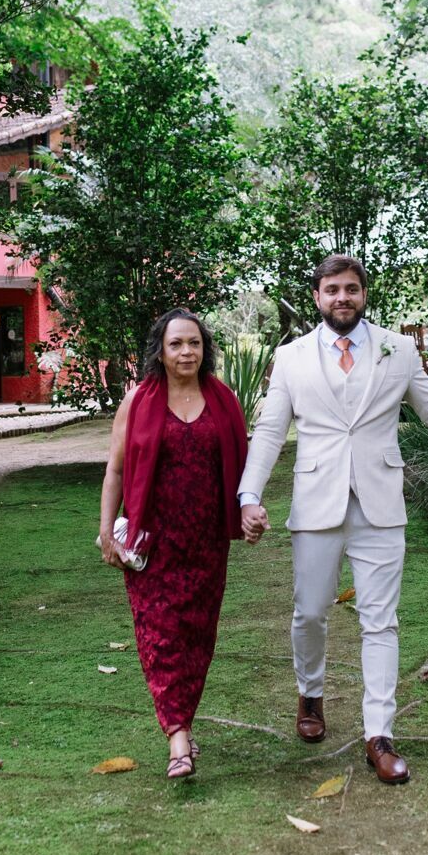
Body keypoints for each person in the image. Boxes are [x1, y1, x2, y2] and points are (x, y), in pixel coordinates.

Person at [238, 256, 428, 786]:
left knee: (381, 620)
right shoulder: (291, 358)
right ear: (317, 297)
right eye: (332, 289)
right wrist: (249, 495)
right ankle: (311, 694)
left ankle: (380, 734)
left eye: (351, 289)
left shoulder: (398, 349)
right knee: (310, 612)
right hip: (316, 502)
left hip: (380, 502)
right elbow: (270, 431)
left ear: (364, 294)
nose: (342, 298)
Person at [100, 310, 250, 779]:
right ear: (160, 352)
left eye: (194, 343)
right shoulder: (138, 401)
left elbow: (243, 465)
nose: (186, 352)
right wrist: (106, 531)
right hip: (153, 540)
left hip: (207, 541)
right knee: (159, 635)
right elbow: (116, 470)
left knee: (198, 638)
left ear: (205, 349)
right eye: (176, 344)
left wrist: (250, 509)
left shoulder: (223, 400)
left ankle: (182, 718)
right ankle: (178, 737)